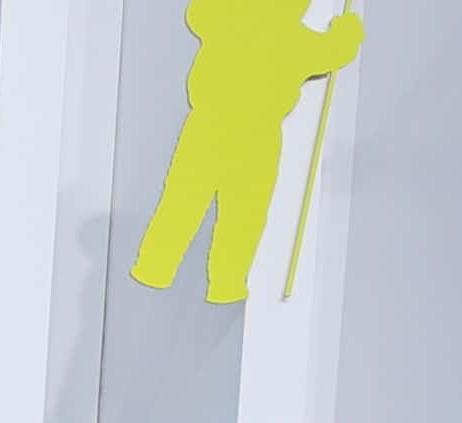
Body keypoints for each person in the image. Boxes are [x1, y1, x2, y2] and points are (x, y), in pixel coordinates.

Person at [127, 0, 362, 304]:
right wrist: (348, 32)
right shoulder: (295, 38)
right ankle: (226, 284)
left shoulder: (226, 16)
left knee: (183, 200)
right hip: (256, 134)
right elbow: (334, 52)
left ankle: (155, 267)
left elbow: (197, 12)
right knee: (243, 215)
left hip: (210, 124)